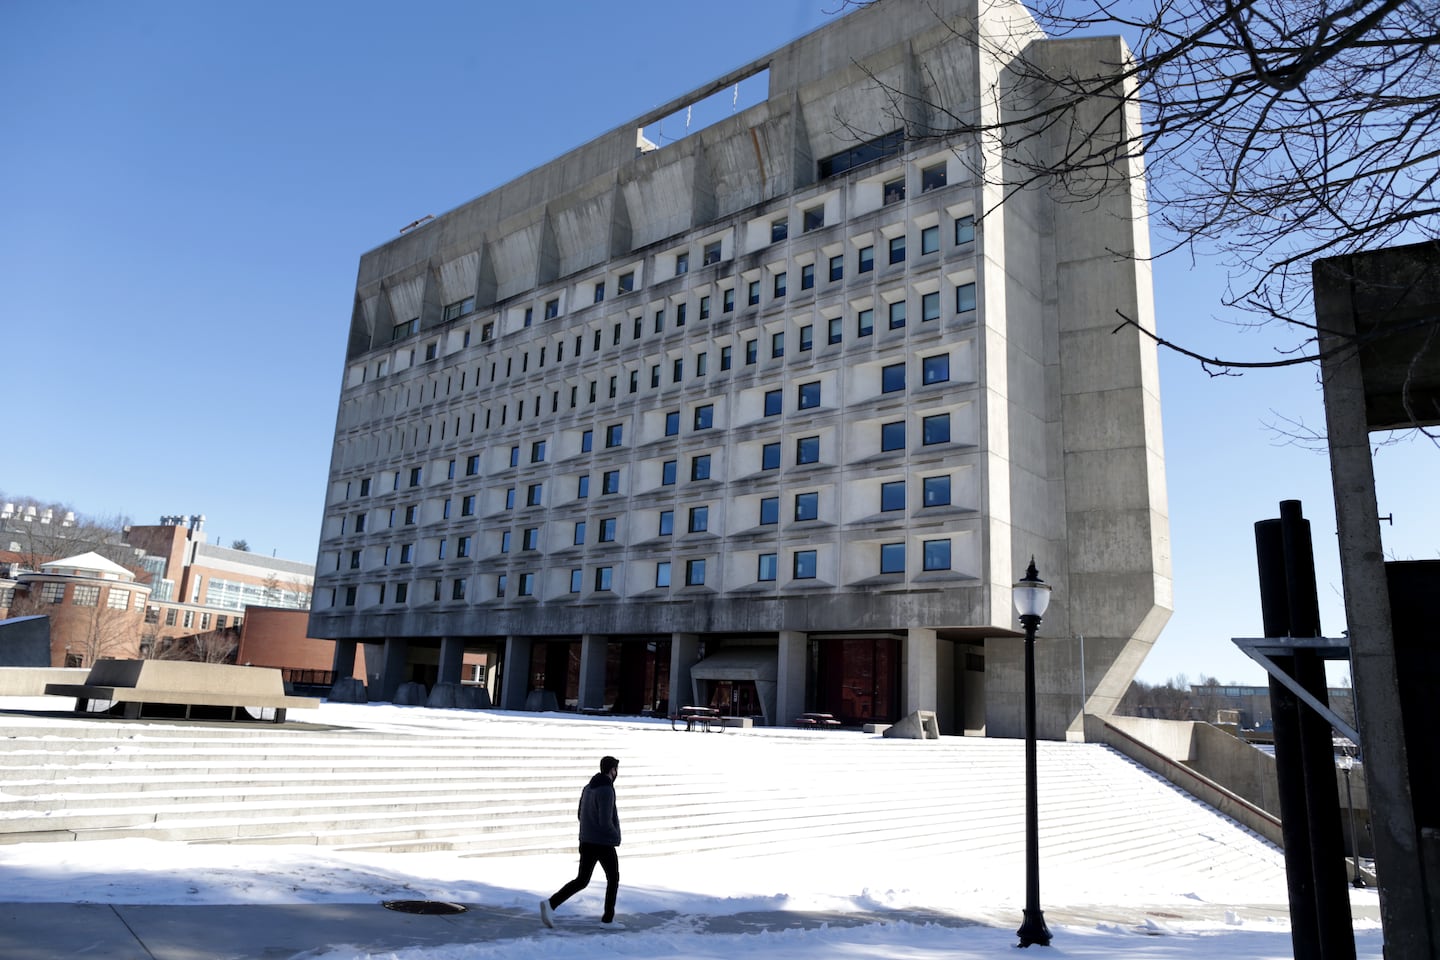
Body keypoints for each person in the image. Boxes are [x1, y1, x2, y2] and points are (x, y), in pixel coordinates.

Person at [540, 755, 621, 927]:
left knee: (582, 880)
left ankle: (550, 904)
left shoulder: (588, 787)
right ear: (611, 770)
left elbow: (579, 814)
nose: (616, 773)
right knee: (613, 878)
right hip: (602, 843)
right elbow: (605, 821)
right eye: (615, 769)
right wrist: (615, 836)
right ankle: (608, 920)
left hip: (586, 841)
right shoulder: (606, 790)